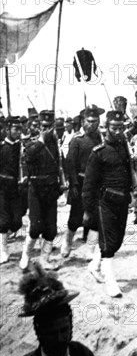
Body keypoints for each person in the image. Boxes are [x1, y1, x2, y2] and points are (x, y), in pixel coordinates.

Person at [3, 263, 108, 356]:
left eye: (63, 330)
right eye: (51, 334)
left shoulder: (82, 355)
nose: (59, 339)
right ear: (39, 332)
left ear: (71, 325)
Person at [82, 110, 133, 297]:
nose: (118, 132)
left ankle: (94, 265)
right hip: (105, 203)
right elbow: (88, 185)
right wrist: (88, 210)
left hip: (122, 201)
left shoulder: (123, 148)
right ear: (107, 128)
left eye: (121, 128)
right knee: (108, 243)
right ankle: (111, 282)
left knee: (117, 242)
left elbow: (129, 173)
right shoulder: (98, 153)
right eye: (114, 128)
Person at [20, 110, 65, 271]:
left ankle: (44, 259)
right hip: (36, 189)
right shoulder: (30, 142)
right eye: (43, 126)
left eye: (49, 126)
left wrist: (62, 183)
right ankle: (26, 254)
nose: (46, 129)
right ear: (38, 126)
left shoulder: (55, 143)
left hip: (51, 188)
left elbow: (60, 165)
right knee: (35, 227)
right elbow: (29, 156)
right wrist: (41, 141)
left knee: (51, 229)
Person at [61, 105, 104, 260]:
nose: (91, 124)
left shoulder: (102, 139)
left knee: (96, 219)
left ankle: (90, 250)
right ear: (83, 121)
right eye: (88, 121)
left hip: (98, 185)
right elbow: (70, 164)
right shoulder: (77, 141)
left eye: (94, 121)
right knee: (76, 218)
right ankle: (67, 243)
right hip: (81, 183)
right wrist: (73, 185)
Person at [0, 116, 27, 264]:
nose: (18, 132)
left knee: (17, 221)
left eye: (20, 129)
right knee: (3, 221)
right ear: (7, 130)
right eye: (15, 129)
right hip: (3, 187)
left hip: (16, 189)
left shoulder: (20, 147)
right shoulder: (2, 147)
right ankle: (3, 251)